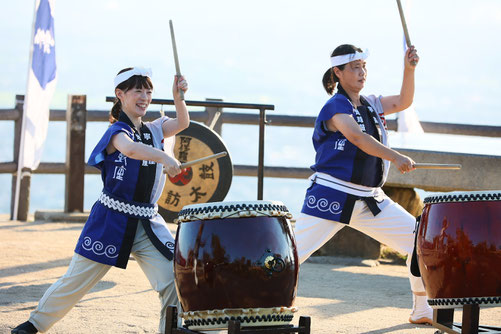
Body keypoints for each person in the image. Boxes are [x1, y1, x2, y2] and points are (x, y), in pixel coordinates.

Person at [12, 67, 189, 334]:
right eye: (137, 90)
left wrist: (179, 97)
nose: (144, 96)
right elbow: (129, 149)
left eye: (148, 91)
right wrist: (164, 157)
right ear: (120, 94)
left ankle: (171, 330)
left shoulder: (155, 128)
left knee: (172, 278)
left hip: (148, 222)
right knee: (76, 280)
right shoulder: (117, 132)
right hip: (112, 220)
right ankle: (33, 325)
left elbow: (182, 123)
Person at [294, 44, 433, 325]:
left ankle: (422, 307)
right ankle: (260, 300)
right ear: (338, 72)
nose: (362, 72)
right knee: (291, 254)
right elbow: (357, 137)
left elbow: (404, 100)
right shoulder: (335, 107)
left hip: (371, 199)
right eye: (355, 67)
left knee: (419, 242)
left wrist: (409, 68)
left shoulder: (371, 103)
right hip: (332, 195)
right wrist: (395, 157)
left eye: (364, 67)